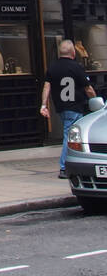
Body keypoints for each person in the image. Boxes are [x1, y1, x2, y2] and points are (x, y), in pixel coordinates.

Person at [40, 39, 95, 178]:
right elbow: (88, 88)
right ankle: (64, 167)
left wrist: (43, 105)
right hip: (75, 107)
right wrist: (95, 101)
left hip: (61, 107)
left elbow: (47, 87)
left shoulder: (52, 67)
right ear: (73, 52)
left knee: (72, 135)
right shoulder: (76, 67)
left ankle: (76, 162)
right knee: (70, 136)